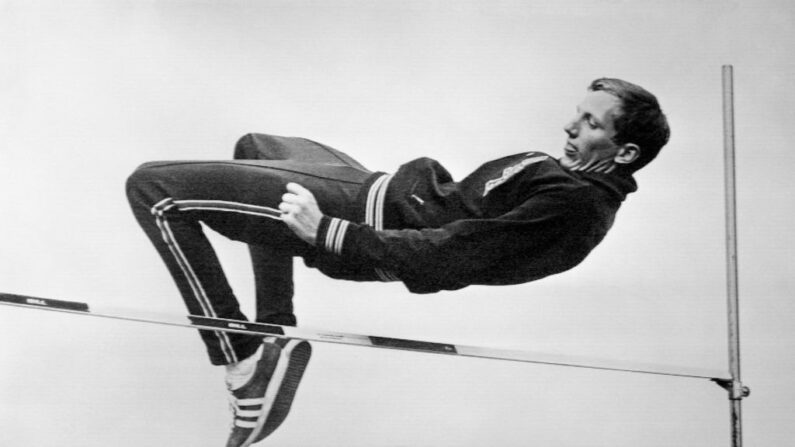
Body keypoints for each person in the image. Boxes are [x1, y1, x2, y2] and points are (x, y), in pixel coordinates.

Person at [125, 77, 670, 446]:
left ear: (624, 154)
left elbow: (452, 257)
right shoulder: (570, 182)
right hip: (377, 189)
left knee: (154, 188)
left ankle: (240, 358)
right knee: (257, 145)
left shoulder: (575, 208)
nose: (571, 128)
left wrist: (331, 232)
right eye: (578, 116)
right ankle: (274, 334)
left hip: (364, 213)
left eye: (592, 125)